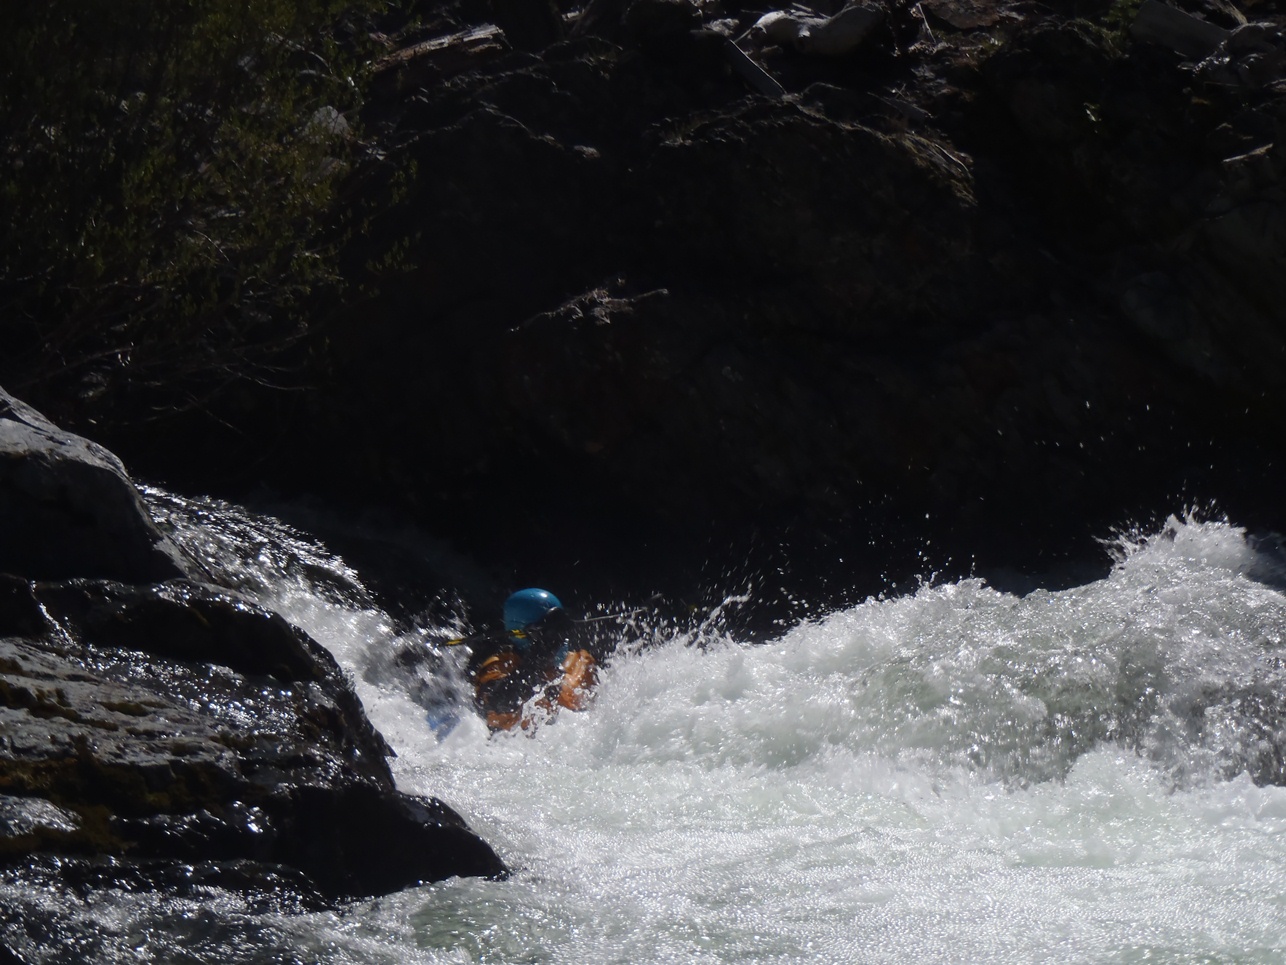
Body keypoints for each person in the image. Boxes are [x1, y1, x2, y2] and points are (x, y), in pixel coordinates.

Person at [466, 588, 599, 732]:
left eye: (560, 630)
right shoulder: (497, 666)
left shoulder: (581, 661)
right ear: (522, 633)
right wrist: (540, 655)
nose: (559, 640)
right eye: (552, 633)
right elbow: (500, 703)